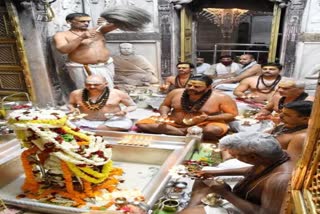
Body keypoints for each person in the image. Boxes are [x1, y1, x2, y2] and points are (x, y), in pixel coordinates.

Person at [180, 132, 293, 214]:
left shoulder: (279, 181)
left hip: (248, 209)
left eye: (234, 155)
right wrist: (216, 173)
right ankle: (192, 207)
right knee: (203, 177)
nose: (233, 157)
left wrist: (225, 193)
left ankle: (192, 210)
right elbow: (251, 170)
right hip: (240, 194)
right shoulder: (273, 157)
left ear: (253, 157)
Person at [136, 75, 238, 140]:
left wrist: (208, 118)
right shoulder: (176, 92)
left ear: (208, 88)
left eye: (197, 87)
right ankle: (184, 133)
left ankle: (183, 133)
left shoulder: (221, 97)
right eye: (189, 85)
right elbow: (165, 105)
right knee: (142, 124)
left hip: (205, 124)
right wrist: (164, 114)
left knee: (212, 130)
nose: (191, 88)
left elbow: (232, 114)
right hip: (174, 123)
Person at [53, 13, 117, 89]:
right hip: (82, 67)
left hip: (106, 66)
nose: (86, 23)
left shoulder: (98, 30)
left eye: (88, 21)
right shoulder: (61, 35)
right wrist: (81, 38)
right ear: (69, 22)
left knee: (108, 90)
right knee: (88, 92)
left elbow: (119, 24)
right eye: (82, 21)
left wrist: (109, 19)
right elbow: (63, 50)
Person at [68, 75, 137, 132]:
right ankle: (94, 130)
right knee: (64, 120)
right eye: (88, 84)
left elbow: (132, 105)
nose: (92, 87)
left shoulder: (118, 93)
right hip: (84, 120)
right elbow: (71, 104)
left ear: (106, 84)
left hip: (111, 121)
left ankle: (90, 130)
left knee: (124, 124)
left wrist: (124, 111)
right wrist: (72, 109)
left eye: (96, 85)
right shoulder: (76, 93)